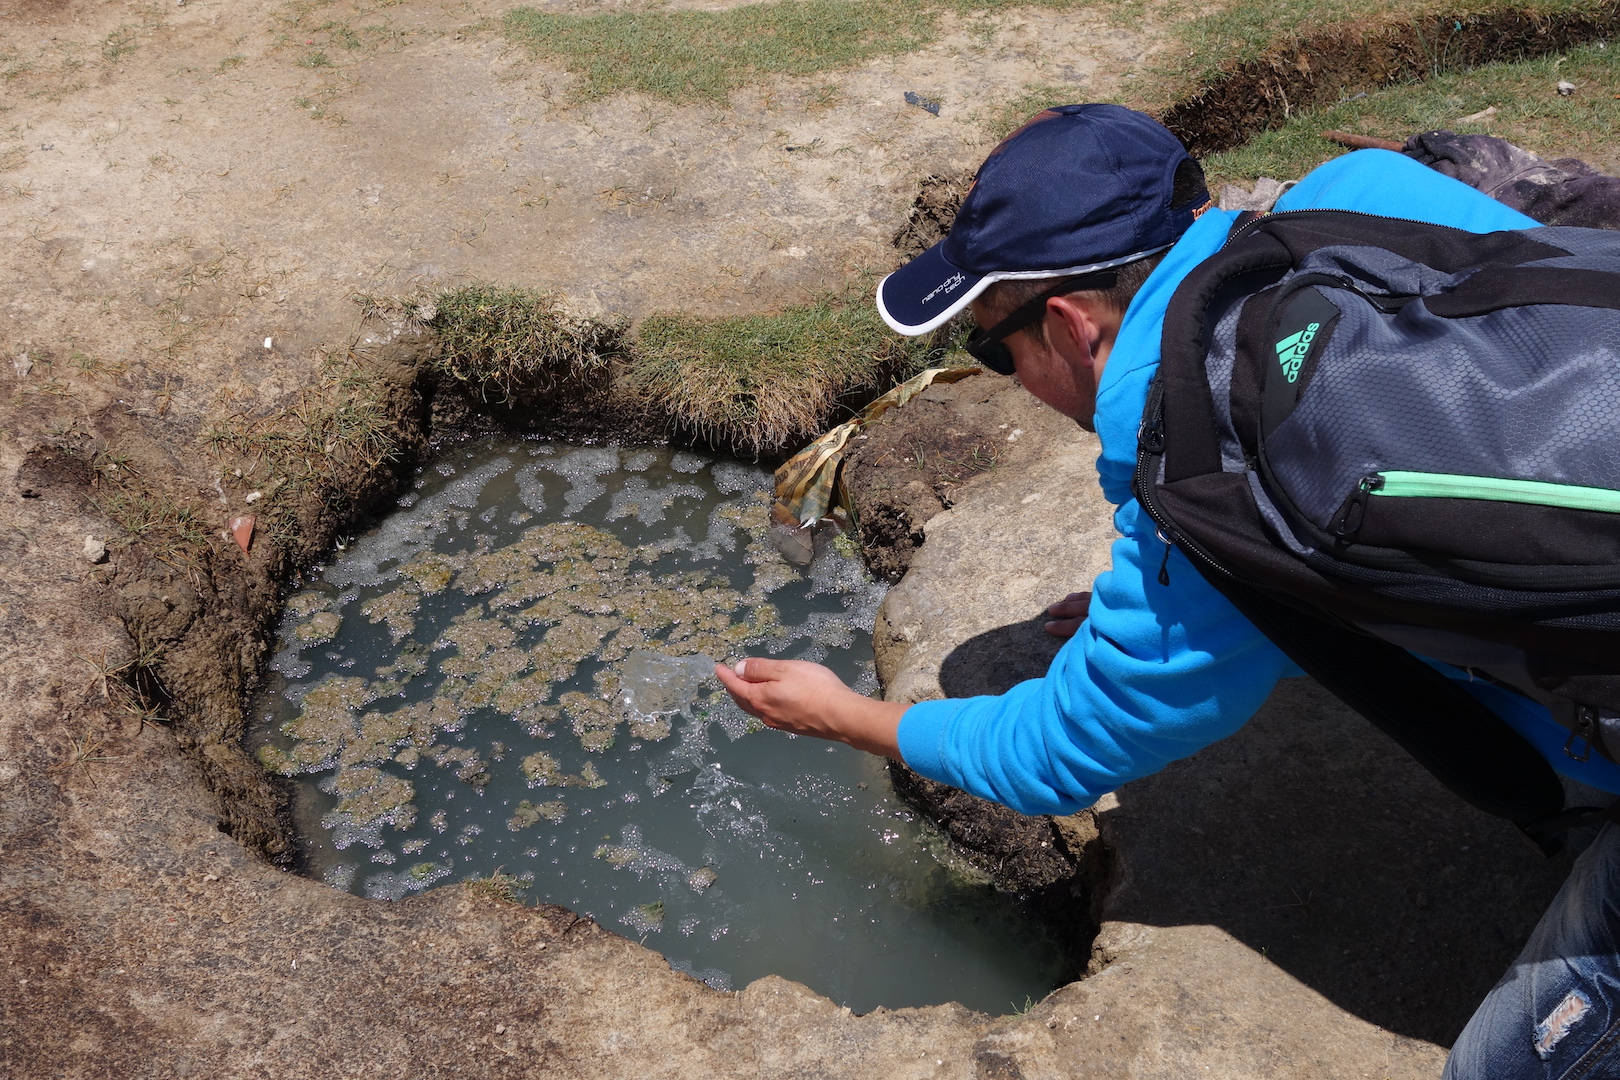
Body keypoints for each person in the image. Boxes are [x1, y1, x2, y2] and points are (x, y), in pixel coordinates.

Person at [713, 103, 1620, 1077]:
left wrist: (851, 716)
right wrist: (1184, 595)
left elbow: (1054, 752)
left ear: (1068, 325)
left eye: (991, 348)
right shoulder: (1354, 196)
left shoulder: (1205, 468)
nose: (1000, 373)